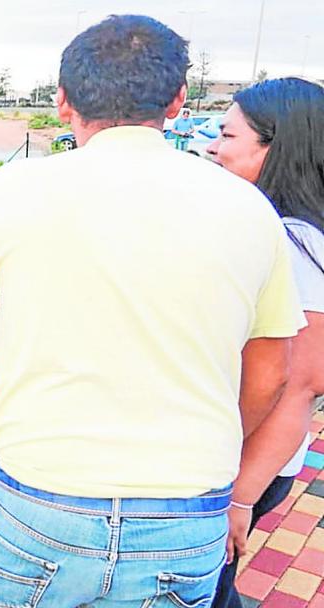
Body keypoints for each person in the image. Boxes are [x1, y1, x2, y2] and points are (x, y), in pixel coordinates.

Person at [0, 15, 304, 607]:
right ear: (179, 101)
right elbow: (272, 373)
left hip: (40, 497)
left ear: (62, 101)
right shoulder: (249, 208)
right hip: (186, 511)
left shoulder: (20, 187)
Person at [205, 77, 324, 608]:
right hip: (244, 460)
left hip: (247, 468)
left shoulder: (295, 244)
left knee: (209, 591)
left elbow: (298, 387)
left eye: (229, 135)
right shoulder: (280, 231)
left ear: (274, 148)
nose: (213, 146)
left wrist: (239, 496)